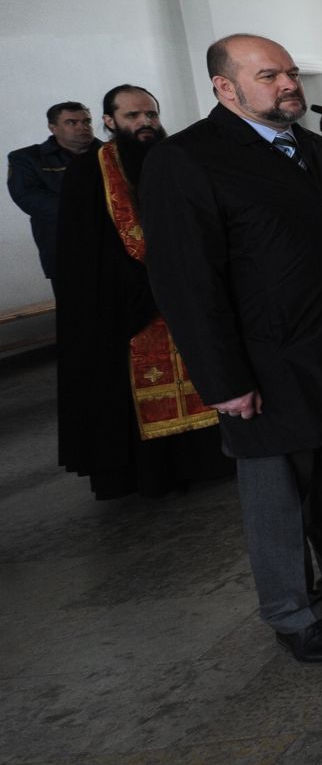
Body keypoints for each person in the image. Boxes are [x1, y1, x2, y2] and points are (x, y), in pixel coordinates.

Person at [140, 34, 322, 664]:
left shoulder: (317, 151)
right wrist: (222, 379)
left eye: (290, 73)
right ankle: (292, 612)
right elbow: (187, 280)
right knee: (276, 488)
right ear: (225, 87)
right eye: (268, 75)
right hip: (266, 358)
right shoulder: (188, 159)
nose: (288, 85)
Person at [55, 85, 232, 500]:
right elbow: (84, 254)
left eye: (150, 115)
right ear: (110, 122)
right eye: (133, 117)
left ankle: (208, 459)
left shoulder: (176, 161)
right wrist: (141, 287)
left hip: (186, 293)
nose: (145, 124)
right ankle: (156, 473)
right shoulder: (87, 173)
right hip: (126, 301)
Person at [8, 101, 97, 279]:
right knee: (76, 302)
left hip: (114, 243)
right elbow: (28, 197)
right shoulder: (28, 158)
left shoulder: (110, 153)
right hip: (63, 243)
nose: (82, 127)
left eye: (86, 121)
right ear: (53, 128)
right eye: (71, 122)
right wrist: (89, 212)